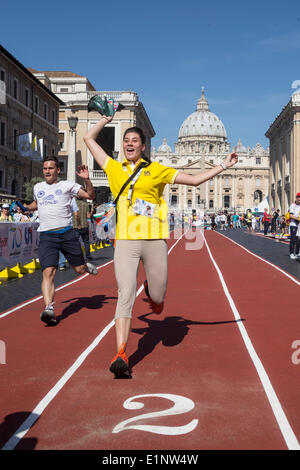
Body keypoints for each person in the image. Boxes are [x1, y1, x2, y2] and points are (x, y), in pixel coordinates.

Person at [83, 115, 238, 377]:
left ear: (144, 146)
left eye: (135, 140)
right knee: (125, 293)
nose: (130, 143)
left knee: (157, 296)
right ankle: (121, 352)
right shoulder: (113, 167)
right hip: (126, 240)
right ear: (123, 146)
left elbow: (195, 180)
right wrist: (105, 119)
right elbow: (88, 138)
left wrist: (223, 164)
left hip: (155, 240)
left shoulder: (157, 170)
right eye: (126, 140)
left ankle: (152, 294)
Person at [24, 156, 98, 325]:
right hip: (47, 236)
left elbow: (90, 195)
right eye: (45, 169)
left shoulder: (67, 185)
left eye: (51, 168)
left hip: (66, 234)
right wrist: (26, 207)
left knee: (78, 269)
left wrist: (87, 180)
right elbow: (37, 203)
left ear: (58, 170)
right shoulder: (38, 187)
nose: (47, 171)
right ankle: (49, 308)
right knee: (48, 272)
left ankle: (85, 266)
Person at [288, 192, 300, 259]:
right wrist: (298, 219)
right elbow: (290, 215)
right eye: (299, 198)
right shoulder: (293, 205)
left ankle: (297, 253)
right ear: (296, 198)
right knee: (293, 239)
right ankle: (291, 253)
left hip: (299, 225)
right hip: (293, 224)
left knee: (298, 239)